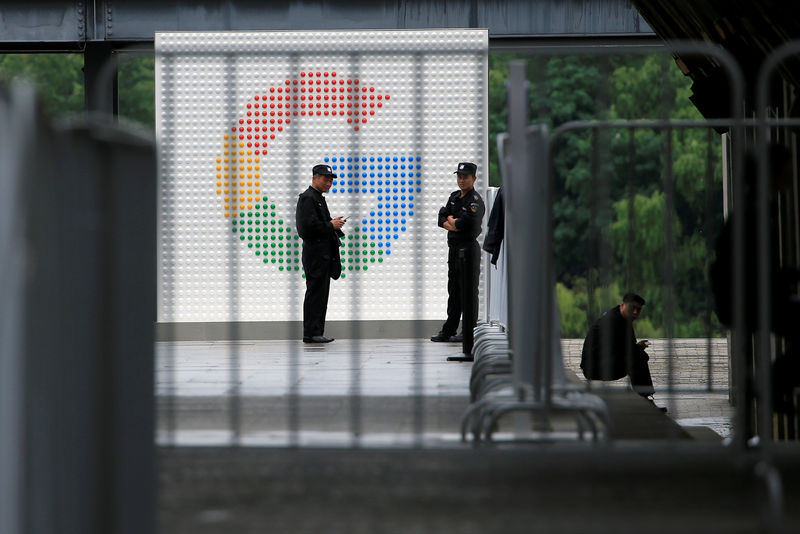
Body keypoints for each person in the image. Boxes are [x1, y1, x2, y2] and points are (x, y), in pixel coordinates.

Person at [431, 162, 485, 360]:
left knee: (469, 292)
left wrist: (454, 223)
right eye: (459, 176)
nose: (462, 180)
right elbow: (441, 217)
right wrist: (453, 224)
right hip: (453, 250)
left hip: (468, 249)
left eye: (466, 176)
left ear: (474, 179)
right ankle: (449, 330)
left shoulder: (475, 201)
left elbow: (467, 224)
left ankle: (468, 331)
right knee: (453, 290)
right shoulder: (454, 197)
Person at [580, 293, 664, 410]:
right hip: (595, 368)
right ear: (622, 305)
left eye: (638, 310)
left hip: (606, 361)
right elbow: (624, 350)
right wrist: (639, 348)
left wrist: (638, 348)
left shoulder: (622, 318)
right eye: (632, 308)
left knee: (638, 355)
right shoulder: (612, 321)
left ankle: (645, 396)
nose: (635, 312)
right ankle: (645, 397)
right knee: (638, 357)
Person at [295, 164, 346, 343]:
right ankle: (311, 333)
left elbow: (318, 224)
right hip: (315, 255)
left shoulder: (318, 198)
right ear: (315, 177)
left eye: (331, 179)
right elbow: (305, 229)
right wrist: (330, 225)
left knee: (321, 294)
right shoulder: (307, 198)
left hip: (324, 255)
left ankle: (317, 331)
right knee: (315, 293)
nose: (329, 182)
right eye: (325, 178)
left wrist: (333, 224)